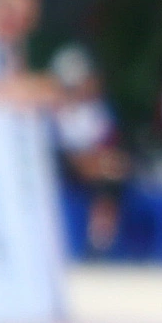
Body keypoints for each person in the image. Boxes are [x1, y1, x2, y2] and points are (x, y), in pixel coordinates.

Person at [48, 45, 130, 256]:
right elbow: (53, 149)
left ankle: (100, 243)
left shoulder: (98, 110)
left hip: (94, 167)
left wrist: (103, 162)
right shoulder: (52, 109)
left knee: (113, 174)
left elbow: (109, 145)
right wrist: (81, 162)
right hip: (60, 168)